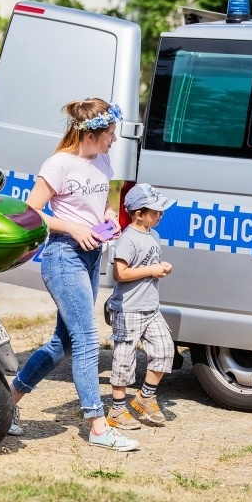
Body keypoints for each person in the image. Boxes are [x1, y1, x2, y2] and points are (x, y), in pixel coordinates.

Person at [8, 98, 139, 451]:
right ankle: (98, 426)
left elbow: (103, 202)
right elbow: (31, 211)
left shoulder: (103, 159)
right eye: (110, 133)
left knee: (62, 342)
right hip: (64, 256)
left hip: (92, 255)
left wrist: (110, 216)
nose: (115, 139)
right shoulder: (58, 164)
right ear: (92, 134)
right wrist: (72, 228)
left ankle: (6, 403)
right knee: (86, 339)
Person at [105, 183, 176, 430]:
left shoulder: (153, 236)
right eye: (156, 212)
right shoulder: (127, 239)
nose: (161, 215)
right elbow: (120, 274)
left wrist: (161, 267)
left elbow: (149, 264)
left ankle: (145, 396)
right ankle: (116, 409)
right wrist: (152, 270)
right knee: (124, 359)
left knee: (165, 350)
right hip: (128, 309)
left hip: (150, 307)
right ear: (139, 214)